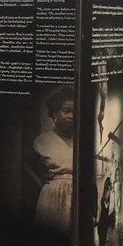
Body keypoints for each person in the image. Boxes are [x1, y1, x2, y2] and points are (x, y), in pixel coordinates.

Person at [30, 86, 74, 237]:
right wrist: (43, 184)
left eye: (75, 112)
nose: (71, 116)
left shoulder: (81, 140)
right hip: (51, 197)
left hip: (75, 196)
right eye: (66, 111)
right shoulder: (44, 140)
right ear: (55, 112)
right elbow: (27, 164)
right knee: (50, 238)